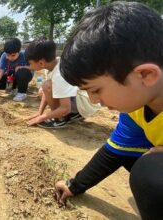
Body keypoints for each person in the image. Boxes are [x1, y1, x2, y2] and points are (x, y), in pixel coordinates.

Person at [54, 2, 163, 219]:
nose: (95, 101)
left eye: (95, 90)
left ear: (145, 75)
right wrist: (75, 185)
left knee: (150, 174)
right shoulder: (137, 108)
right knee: (140, 163)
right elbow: (115, 150)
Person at [25, 38, 87, 128]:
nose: (28, 66)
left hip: (84, 103)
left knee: (47, 86)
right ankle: (72, 115)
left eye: (29, 63)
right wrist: (40, 112)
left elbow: (66, 108)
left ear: (41, 63)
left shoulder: (59, 74)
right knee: (43, 90)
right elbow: (46, 93)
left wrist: (42, 118)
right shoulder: (54, 63)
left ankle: (60, 118)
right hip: (78, 99)